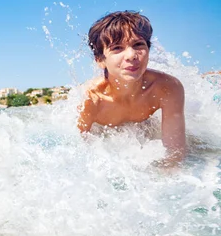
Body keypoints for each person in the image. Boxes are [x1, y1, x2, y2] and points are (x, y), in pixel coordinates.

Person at [78, 11, 186, 162]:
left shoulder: (168, 88)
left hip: (141, 131)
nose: (131, 55)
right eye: (117, 48)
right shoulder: (90, 98)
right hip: (104, 136)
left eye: (138, 45)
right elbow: (78, 153)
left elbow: (175, 152)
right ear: (100, 60)